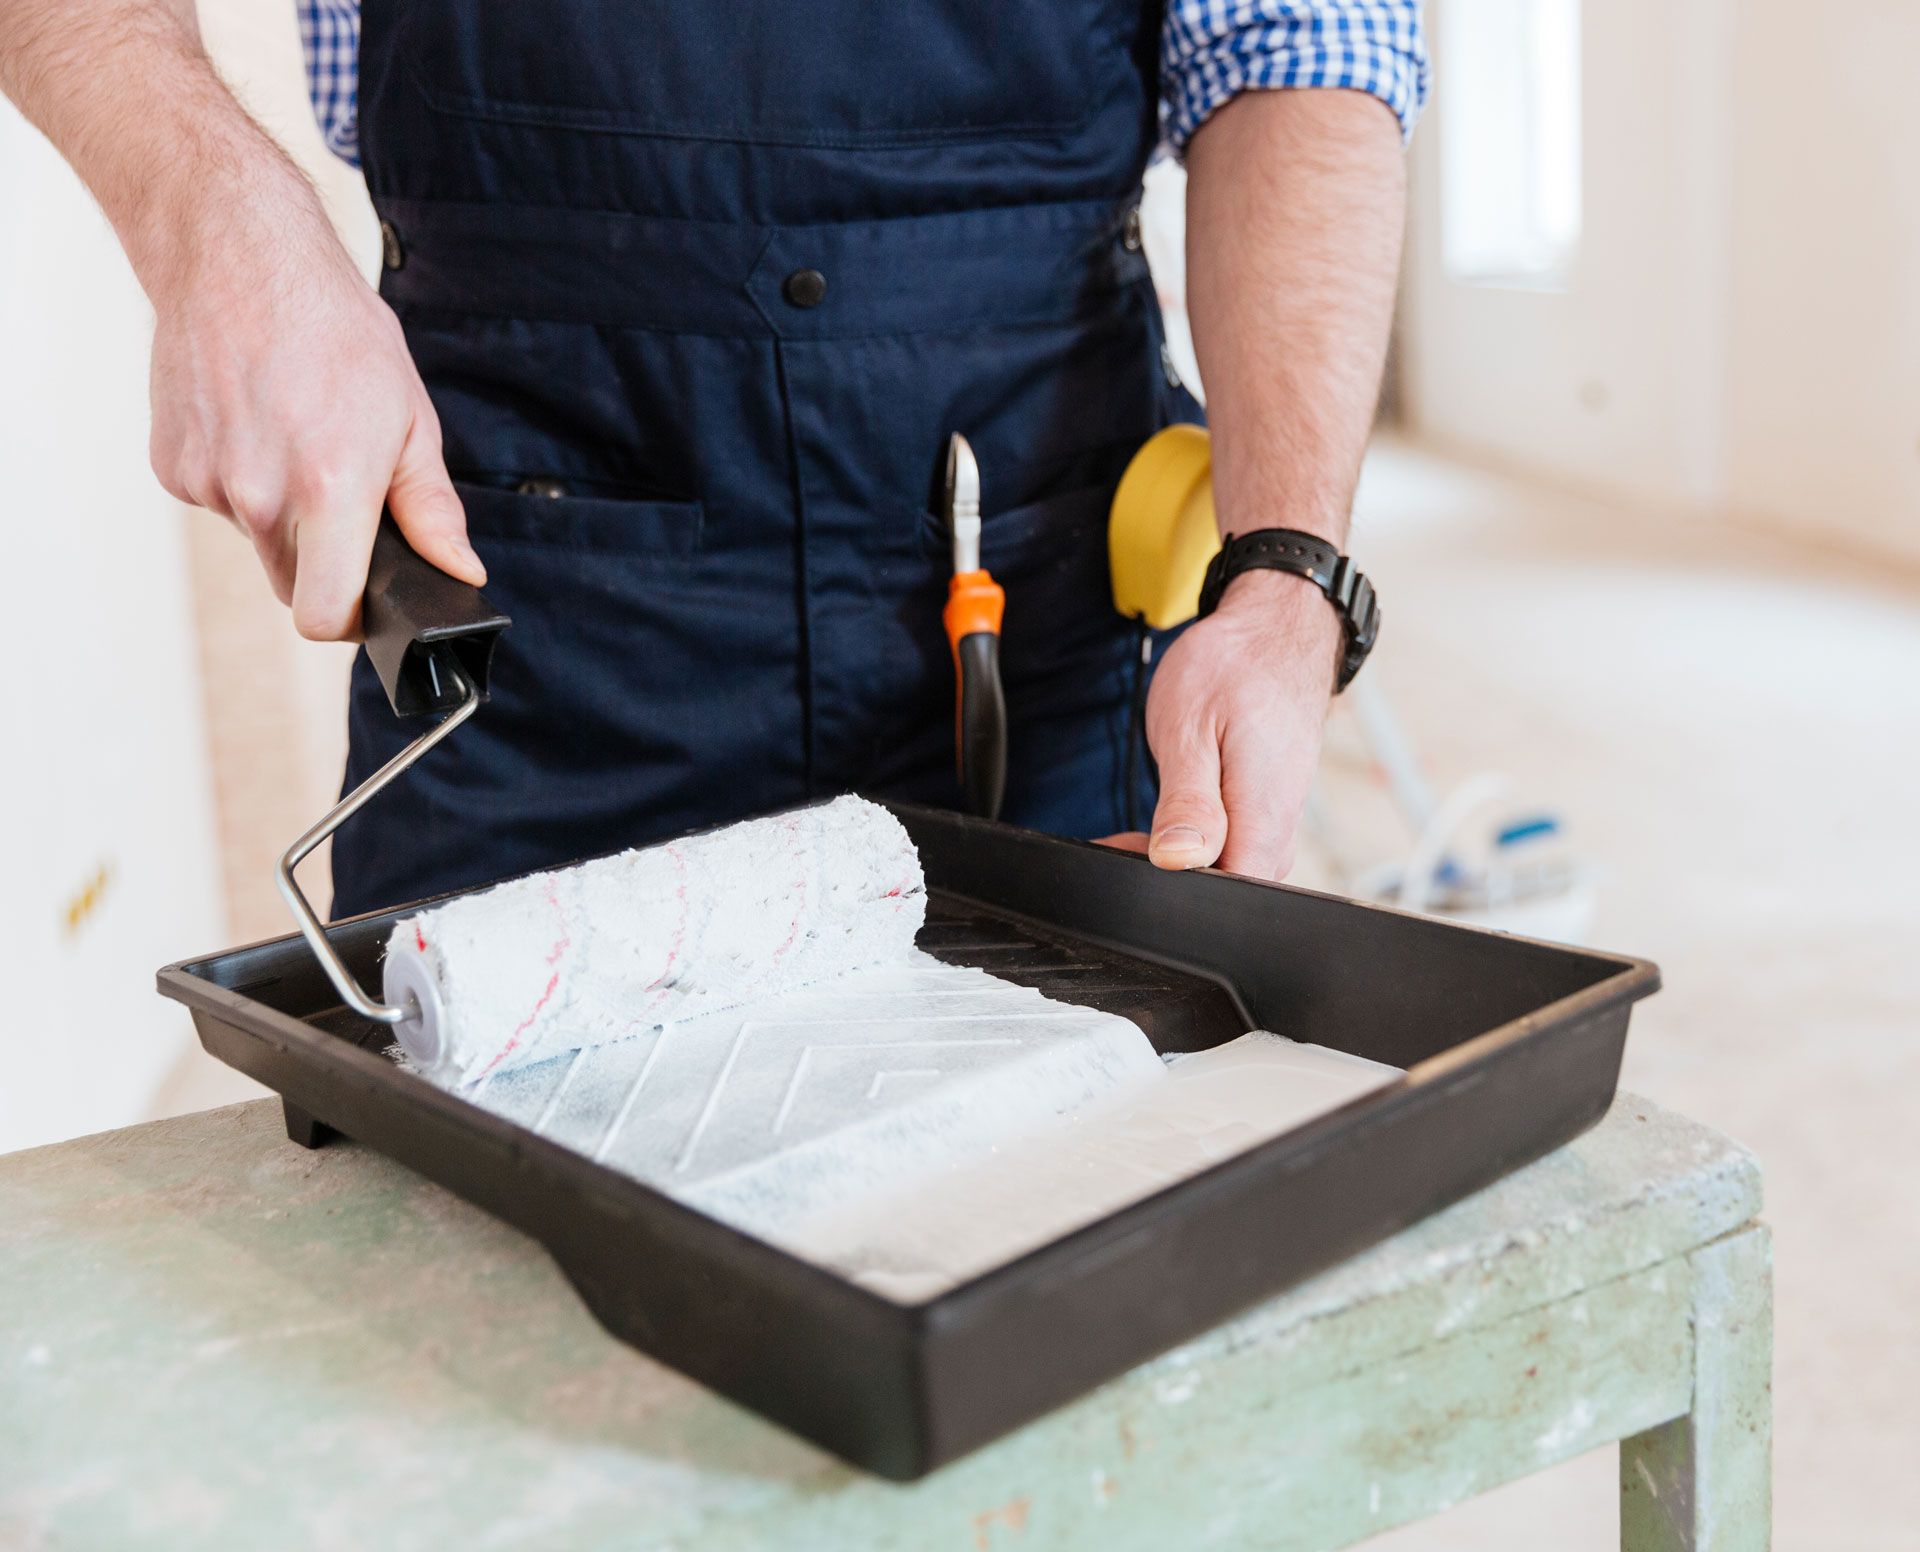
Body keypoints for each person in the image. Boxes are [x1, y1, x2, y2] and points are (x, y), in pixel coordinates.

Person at [0, 0, 1425, 913]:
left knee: (1063, 1230)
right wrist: (214, 210)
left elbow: (1301, 48)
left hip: (1019, 574)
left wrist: (1290, 571)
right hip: (527, 579)